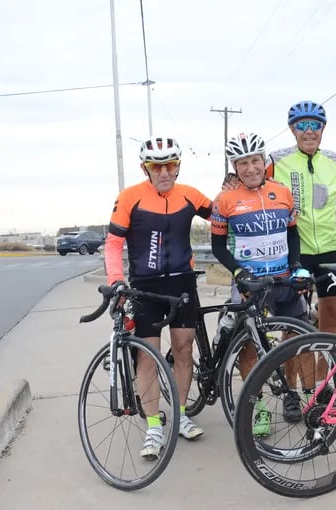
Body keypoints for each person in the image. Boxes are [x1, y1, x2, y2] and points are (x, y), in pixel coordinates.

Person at [225, 101, 336, 397]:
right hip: (293, 253)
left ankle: (322, 382)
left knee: (330, 317)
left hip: (329, 249)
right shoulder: (276, 159)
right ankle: (292, 391)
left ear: (323, 128)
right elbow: (247, 179)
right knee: (294, 326)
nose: (309, 131)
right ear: (292, 129)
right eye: (302, 126)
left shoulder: (334, 160)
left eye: (315, 125)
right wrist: (229, 188)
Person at [104, 136, 213, 459]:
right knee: (148, 356)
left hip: (182, 284)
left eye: (171, 165)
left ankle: (179, 415)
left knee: (183, 349)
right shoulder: (130, 197)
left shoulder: (190, 195)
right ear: (145, 169)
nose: (164, 172)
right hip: (145, 286)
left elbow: (225, 214)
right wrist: (116, 281)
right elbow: (112, 244)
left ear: (178, 166)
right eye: (157, 166)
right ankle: (154, 424)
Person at [211, 132, 312, 433]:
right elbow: (217, 246)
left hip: (283, 278)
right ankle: (259, 408)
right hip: (250, 282)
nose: (250, 168)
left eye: (255, 160)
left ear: (264, 160)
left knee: (295, 339)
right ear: (235, 166)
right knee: (248, 347)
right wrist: (239, 273)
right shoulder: (225, 200)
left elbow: (292, 232)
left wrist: (296, 266)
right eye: (242, 163)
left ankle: (291, 396)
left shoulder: (282, 192)